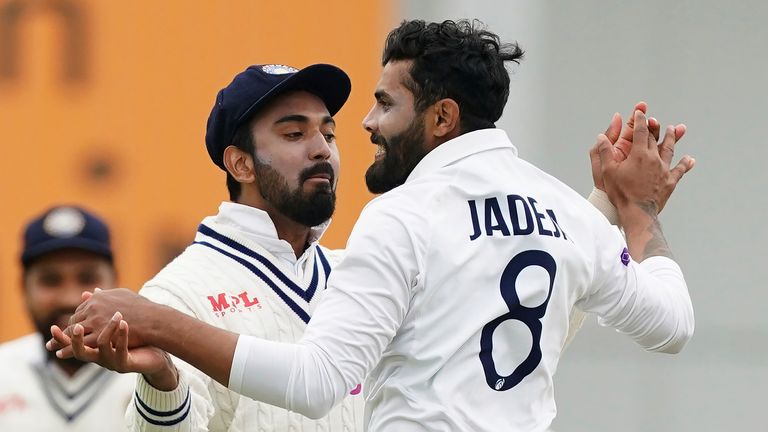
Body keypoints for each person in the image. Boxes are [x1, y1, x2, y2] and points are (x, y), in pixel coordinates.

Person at [52, 20, 695, 431]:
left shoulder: (399, 220)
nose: (341, 139)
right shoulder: (184, 288)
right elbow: (668, 323)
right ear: (238, 161)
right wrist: (630, 211)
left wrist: (155, 322)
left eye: (331, 128)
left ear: (440, 118)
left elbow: (313, 381)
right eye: (294, 131)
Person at [0, 205, 134, 431]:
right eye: (51, 280)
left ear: (114, 282)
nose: (70, 299)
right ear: (24, 288)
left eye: (87, 277)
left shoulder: (153, 375)